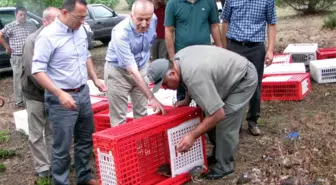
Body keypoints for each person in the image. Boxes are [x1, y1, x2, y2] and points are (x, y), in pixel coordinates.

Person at [147, 45, 258, 179]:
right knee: (207, 113)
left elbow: (218, 113)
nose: (164, 88)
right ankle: (219, 153)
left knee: (224, 120)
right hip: (226, 75)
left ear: (171, 73)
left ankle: (224, 166)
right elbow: (188, 81)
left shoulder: (194, 76)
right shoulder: (178, 61)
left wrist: (193, 136)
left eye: (164, 84)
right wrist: (186, 100)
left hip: (243, 78)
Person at [31, 0, 106, 184]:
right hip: (61, 99)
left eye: (84, 16)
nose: (82, 21)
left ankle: (84, 176)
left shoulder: (80, 30)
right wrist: (58, 93)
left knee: (84, 139)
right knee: (61, 147)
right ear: (64, 12)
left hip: (83, 92)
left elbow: (85, 55)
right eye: (79, 17)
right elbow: (37, 70)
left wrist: (95, 79)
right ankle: (61, 181)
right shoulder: (48, 36)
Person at [104, 0, 166, 127]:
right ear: (131, 16)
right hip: (118, 72)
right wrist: (151, 97)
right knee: (119, 119)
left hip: (141, 67)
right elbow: (132, 70)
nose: (144, 24)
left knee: (142, 114)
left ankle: (140, 146)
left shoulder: (153, 19)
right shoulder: (120, 33)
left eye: (147, 19)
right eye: (140, 19)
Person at [221, 0, 277, 136]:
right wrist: (224, 48)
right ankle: (235, 121)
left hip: (256, 48)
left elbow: (271, 23)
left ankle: (253, 120)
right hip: (235, 46)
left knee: (255, 85)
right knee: (233, 84)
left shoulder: (267, 1)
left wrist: (270, 49)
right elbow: (225, 22)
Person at [21, 7, 60, 180]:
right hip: (35, 93)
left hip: (53, 92)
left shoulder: (58, 37)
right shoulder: (32, 41)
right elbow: (33, 71)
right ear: (45, 22)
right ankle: (43, 167)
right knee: (36, 132)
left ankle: (54, 162)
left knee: (52, 130)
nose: (60, 23)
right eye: (56, 20)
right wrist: (55, 91)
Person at [164, 0, 222, 102]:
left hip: (204, 57)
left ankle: (206, 115)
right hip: (181, 60)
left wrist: (220, 50)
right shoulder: (173, 3)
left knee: (205, 92)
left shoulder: (209, 2)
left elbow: (214, 26)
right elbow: (168, 31)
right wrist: (172, 58)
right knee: (183, 92)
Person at [0, 6, 37, 107]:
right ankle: (19, 101)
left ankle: (29, 98)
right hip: (17, 56)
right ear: (16, 14)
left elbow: (36, 36)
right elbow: (1, 35)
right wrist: (7, 47)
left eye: (24, 14)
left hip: (29, 56)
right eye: (20, 14)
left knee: (31, 77)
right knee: (18, 78)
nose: (23, 16)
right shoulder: (11, 26)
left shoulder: (30, 25)